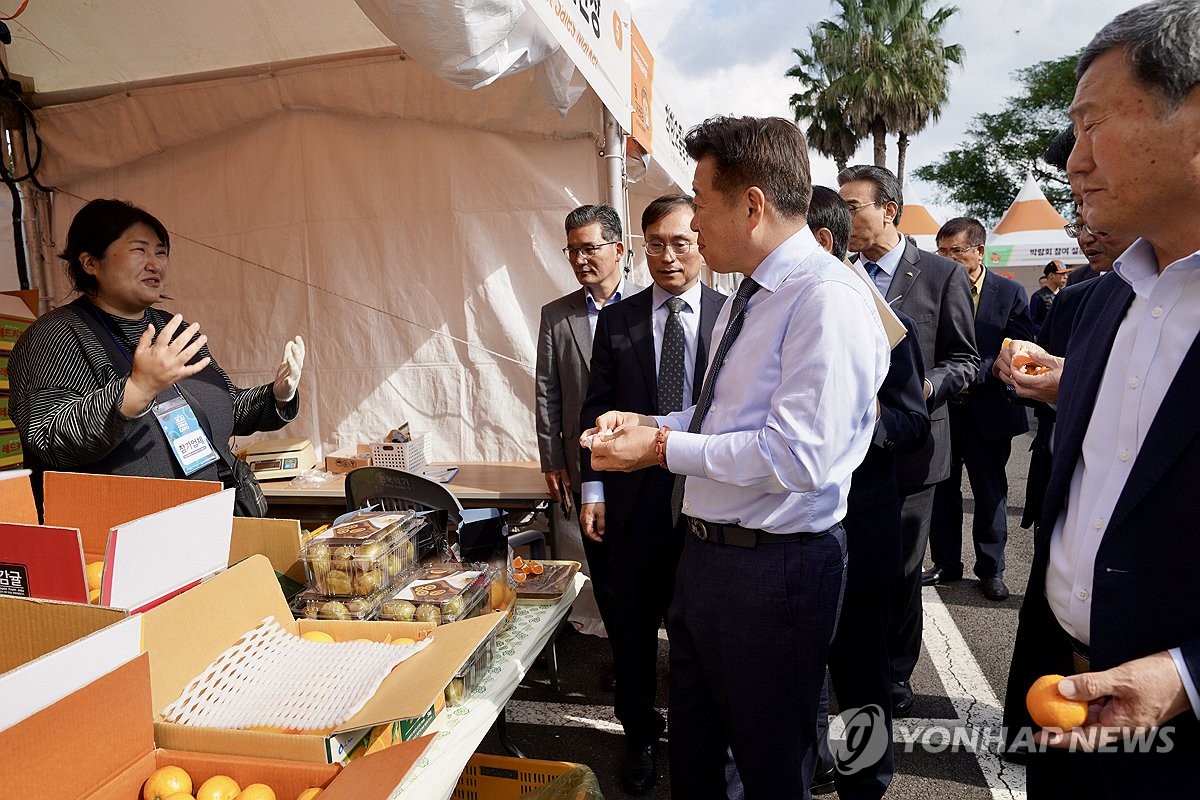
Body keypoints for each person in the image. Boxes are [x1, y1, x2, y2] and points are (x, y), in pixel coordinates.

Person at [588, 115, 889, 800]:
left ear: (750, 204)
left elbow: (798, 456)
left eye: (699, 199)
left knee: (771, 768)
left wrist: (660, 448)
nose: (692, 221)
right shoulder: (745, 297)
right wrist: (645, 421)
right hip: (710, 560)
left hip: (776, 568)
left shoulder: (825, 300)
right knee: (696, 763)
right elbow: (722, 420)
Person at [1001, 2, 1200, 794]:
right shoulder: (1101, 301)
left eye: (1090, 125)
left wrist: (1188, 675)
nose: (1071, 162)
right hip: (1065, 710)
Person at [9, 199, 303, 512]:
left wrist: (277, 396)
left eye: (160, 251)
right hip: (136, 536)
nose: (155, 264)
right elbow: (47, 436)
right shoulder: (58, 334)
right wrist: (135, 391)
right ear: (90, 263)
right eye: (140, 250)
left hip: (223, 516)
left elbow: (225, 409)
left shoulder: (171, 328)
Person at [577, 194, 725, 794]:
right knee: (632, 631)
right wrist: (593, 486)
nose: (668, 256)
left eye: (681, 242)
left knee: (700, 633)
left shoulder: (731, 315)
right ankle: (639, 738)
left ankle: (698, 742)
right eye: (656, 243)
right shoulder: (620, 320)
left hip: (708, 506)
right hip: (633, 505)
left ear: (702, 243)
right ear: (639, 247)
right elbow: (591, 409)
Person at [837, 164, 979, 714]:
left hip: (915, 452)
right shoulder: (838, 275)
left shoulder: (941, 276)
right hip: (849, 454)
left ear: (888, 210)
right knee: (856, 566)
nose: (846, 216)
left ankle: (894, 674)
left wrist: (926, 386)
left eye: (854, 206)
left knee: (900, 570)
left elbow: (966, 359)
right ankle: (856, 666)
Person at [807, 186, 929, 799]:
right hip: (787, 539)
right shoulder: (763, 315)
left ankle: (865, 782)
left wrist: (859, 425)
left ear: (821, 244)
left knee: (861, 675)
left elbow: (913, 424)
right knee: (798, 676)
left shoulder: (885, 325)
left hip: (860, 533)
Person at [535, 204, 644, 657]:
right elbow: (547, 391)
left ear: (618, 249)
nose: (580, 259)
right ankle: (623, 659)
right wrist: (553, 461)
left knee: (647, 570)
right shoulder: (557, 316)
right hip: (586, 465)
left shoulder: (648, 305)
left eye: (590, 248)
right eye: (572, 250)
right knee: (604, 568)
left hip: (644, 462)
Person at [924, 217, 1033, 601]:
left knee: (990, 493)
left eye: (956, 250)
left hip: (989, 409)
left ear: (979, 251)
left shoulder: (1010, 292)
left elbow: (1016, 345)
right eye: (942, 251)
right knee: (943, 492)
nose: (948, 258)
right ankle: (946, 564)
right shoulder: (932, 285)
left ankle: (992, 570)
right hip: (943, 412)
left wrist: (971, 373)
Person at [1028, 260, 1070, 335]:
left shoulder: (1065, 294)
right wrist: (1047, 334)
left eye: (1066, 274)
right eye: (1062, 274)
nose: (1066, 277)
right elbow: (1032, 322)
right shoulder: (1038, 296)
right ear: (1051, 275)